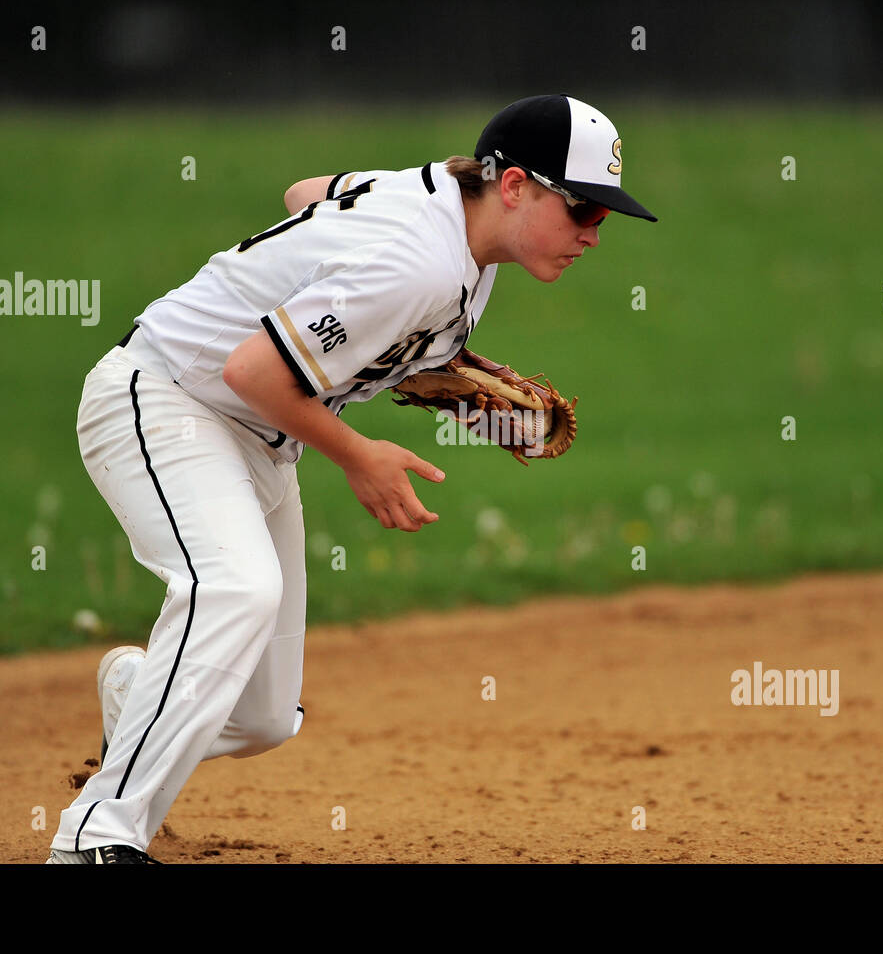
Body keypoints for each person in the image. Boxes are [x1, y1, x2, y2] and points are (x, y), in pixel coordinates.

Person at [46, 93, 657, 863]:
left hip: (250, 436)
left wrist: (405, 344)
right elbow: (252, 369)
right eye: (583, 212)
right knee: (234, 589)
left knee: (265, 715)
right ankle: (95, 838)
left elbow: (309, 197)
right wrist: (360, 456)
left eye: (601, 219)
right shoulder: (418, 260)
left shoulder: (446, 208)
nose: (593, 236)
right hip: (165, 399)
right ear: (513, 188)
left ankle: (137, 700)